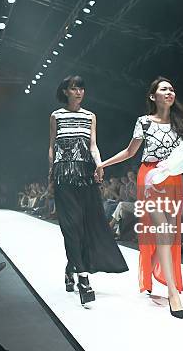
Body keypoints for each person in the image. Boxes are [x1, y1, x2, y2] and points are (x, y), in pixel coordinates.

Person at [97, 77, 183, 319]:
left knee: (168, 233)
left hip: (174, 179)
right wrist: (104, 163)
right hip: (151, 176)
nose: (169, 92)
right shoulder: (143, 122)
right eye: (164, 89)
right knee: (164, 230)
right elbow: (130, 152)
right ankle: (173, 292)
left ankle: (156, 265)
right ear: (153, 96)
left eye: (172, 89)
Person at [48, 75, 128, 306]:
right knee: (70, 225)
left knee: (85, 225)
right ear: (65, 91)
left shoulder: (90, 116)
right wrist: (50, 172)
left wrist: (100, 164)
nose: (79, 92)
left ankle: (71, 266)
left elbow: (93, 145)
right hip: (63, 174)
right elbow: (51, 147)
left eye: (81, 88)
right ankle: (84, 279)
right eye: (74, 88)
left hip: (86, 174)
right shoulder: (56, 116)